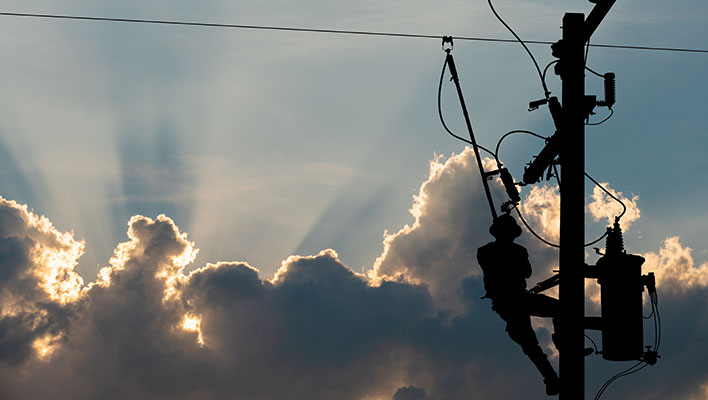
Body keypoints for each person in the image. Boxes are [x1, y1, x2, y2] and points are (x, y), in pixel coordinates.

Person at [476, 213, 560, 396]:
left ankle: (563, 344)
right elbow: (492, 266)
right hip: (507, 303)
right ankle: (551, 378)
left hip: (521, 299)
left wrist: (512, 254)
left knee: (561, 309)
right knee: (529, 344)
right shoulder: (486, 251)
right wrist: (508, 254)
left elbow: (527, 273)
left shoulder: (518, 251)